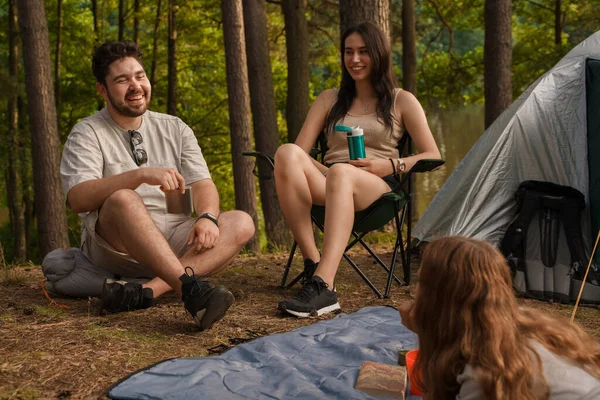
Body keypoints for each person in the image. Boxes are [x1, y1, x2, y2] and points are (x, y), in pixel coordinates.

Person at [60, 40, 255, 331]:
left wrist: (207, 217)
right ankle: (193, 293)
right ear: (102, 89)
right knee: (123, 198)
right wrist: (139, 175)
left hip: (175, 235)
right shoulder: (87, 132)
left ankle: (148, 291)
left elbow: (202, 184)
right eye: (122, 80)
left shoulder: (174, 127)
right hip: (118, 245)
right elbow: (78, 198)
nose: (135, 86)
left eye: (139, 76)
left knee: (241, 221)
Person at [274, 21, 441, 318]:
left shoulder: (402, 100)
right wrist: (326, 168)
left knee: (340, 172)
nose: (355, 59)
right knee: (286, 153)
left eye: (363, 51)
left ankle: (325, 287)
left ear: (379, 55)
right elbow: (299, 153)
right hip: (331, 182)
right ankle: (315, 268)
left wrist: (389, 164)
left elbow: (433, 154)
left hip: (377, 187)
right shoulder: (329, 99)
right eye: (348, 52)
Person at [399, 236, 600, 399]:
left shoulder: (485, 375)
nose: (415, 292)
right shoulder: (521, 321)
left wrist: (427, 335)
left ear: (437, 299)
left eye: (421, 283)